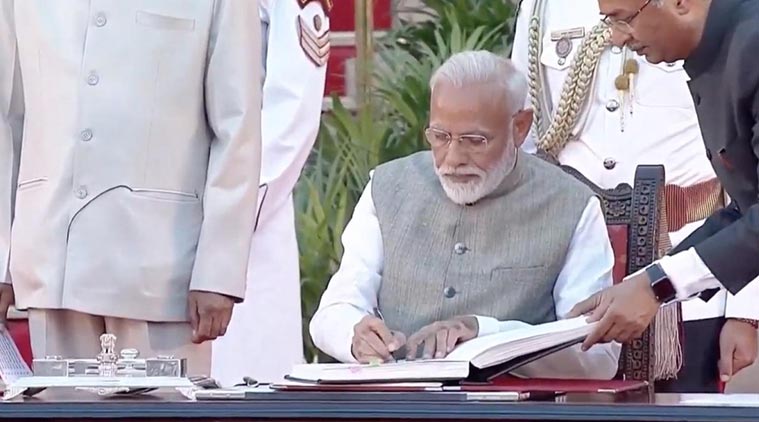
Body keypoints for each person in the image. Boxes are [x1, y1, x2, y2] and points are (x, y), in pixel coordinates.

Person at [309, 51, 620, 379]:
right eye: (440, 137)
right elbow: (334, 311)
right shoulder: (387, 187)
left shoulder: (571, 205)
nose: (452, 159)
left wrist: (486, 332)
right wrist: (355, 336)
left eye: (474, 140)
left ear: (519, 127)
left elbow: (596, 355)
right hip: (394, 406)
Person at [0, 1, 262, 375]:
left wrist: (218, 272)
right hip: (51, 256)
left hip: (160, 266)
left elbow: (237, 129)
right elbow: (8, 118)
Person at [511, 0, 758, 392]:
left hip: (694, 248)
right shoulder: (543, 8)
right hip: (591, 264)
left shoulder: (747, 42)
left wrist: (742, 311)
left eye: (625, 20)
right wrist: (651, 281)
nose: (616, 37)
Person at [211, 0, 330, 386]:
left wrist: (225, 221)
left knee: (243, 382)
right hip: (151, 211)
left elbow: (291, 115)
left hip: (246, 226)